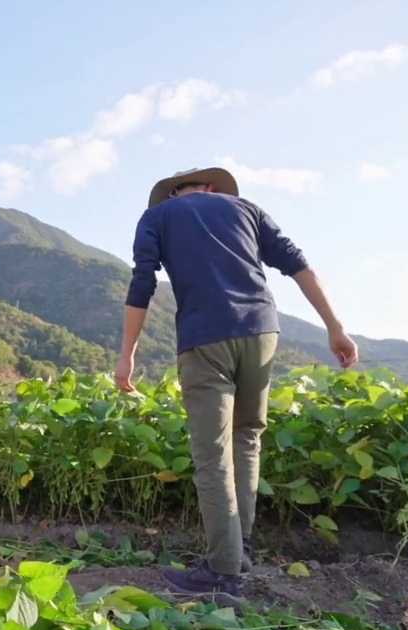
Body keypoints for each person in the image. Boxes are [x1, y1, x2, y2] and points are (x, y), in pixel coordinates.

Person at [116, 167, 358, 605]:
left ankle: (222, 573)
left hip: (205, 337)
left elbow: (143, 283)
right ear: (210, 188)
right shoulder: (247, 209)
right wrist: (335, 327)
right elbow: (298, 264)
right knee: (247, 438)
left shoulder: (159, 217)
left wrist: (127, 354)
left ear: (174, 193)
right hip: (263, 332)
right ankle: (238, 552)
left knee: (211, 452)